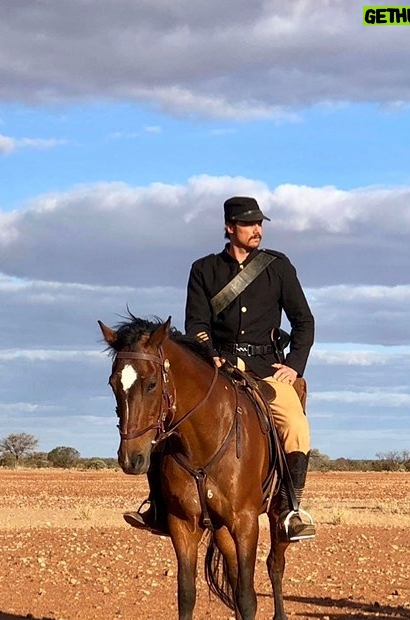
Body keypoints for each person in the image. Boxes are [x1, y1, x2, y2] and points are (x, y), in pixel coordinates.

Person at [124, 195, 316, 541]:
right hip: (217, 368)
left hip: (264, 372)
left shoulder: (278, 267)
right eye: (248, 224)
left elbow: (304, 322)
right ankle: (159, 506)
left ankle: (290, 509)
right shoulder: (204, 269)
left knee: (295, 424)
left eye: (259, 224)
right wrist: (209, 353)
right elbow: (196, 322)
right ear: (230, 228)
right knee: (164, 419)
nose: (256, 230)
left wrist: (292, 366)